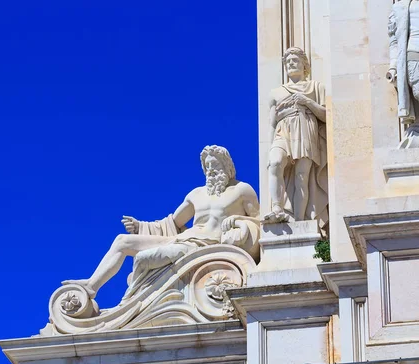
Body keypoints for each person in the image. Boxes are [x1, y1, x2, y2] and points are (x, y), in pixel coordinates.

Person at [62, 145, 260, 300]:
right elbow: (173, 222)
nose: (210, 170)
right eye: (207, 166)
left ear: (226, 165)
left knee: (143, 259)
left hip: (204, 247)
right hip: (184, 240)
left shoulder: (241, 190)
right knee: (122, 240)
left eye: (215, 164)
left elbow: (259, 223)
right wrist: (140, 227)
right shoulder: (196, 194)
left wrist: (237, 220)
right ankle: (91, 286)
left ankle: (131, 304)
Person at [263, 47, 328, 233]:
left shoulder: (316, 87)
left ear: (304, 64)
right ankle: (276, 207)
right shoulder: (276, 93)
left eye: (295, 60)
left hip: (306, 127)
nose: (291, 64)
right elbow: (271, 123)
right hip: (283, 130)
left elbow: (325, 115)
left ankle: (299, 222)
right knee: (275, 163)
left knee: (302, 176)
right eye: (288, 61)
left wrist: (307, 101)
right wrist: (269, 149)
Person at [388, 0, 419, 148]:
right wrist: (393, 66)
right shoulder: (398, 8)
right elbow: (394, 41)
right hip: (413, 54)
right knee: (417, 92)